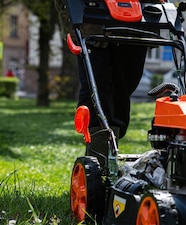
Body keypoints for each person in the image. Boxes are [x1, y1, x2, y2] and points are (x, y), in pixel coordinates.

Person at [54, 0, 148, 140]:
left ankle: (112, 135)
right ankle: (100, 146)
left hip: (134, 20)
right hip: (90, 17)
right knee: (97, 85)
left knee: (123, 86)